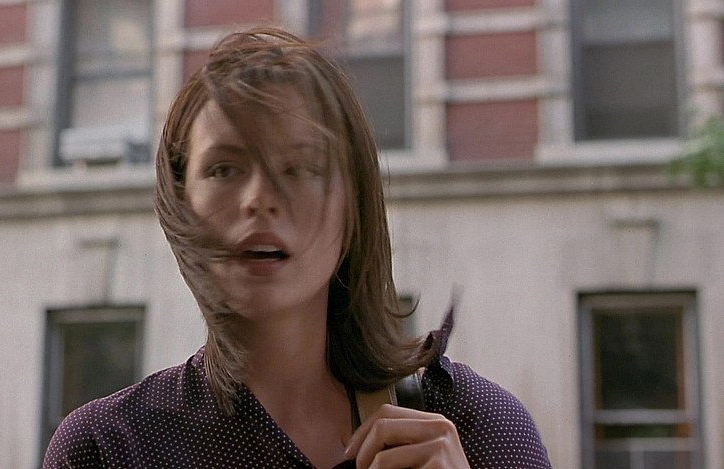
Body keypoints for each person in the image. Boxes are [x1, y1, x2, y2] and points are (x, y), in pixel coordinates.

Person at [43, 27, 552, 469]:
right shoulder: (107, 449)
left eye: (301, 167)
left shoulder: (479, 427)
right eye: (224, 169)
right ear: (181, 202)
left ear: (353, 204)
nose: (259, 199)